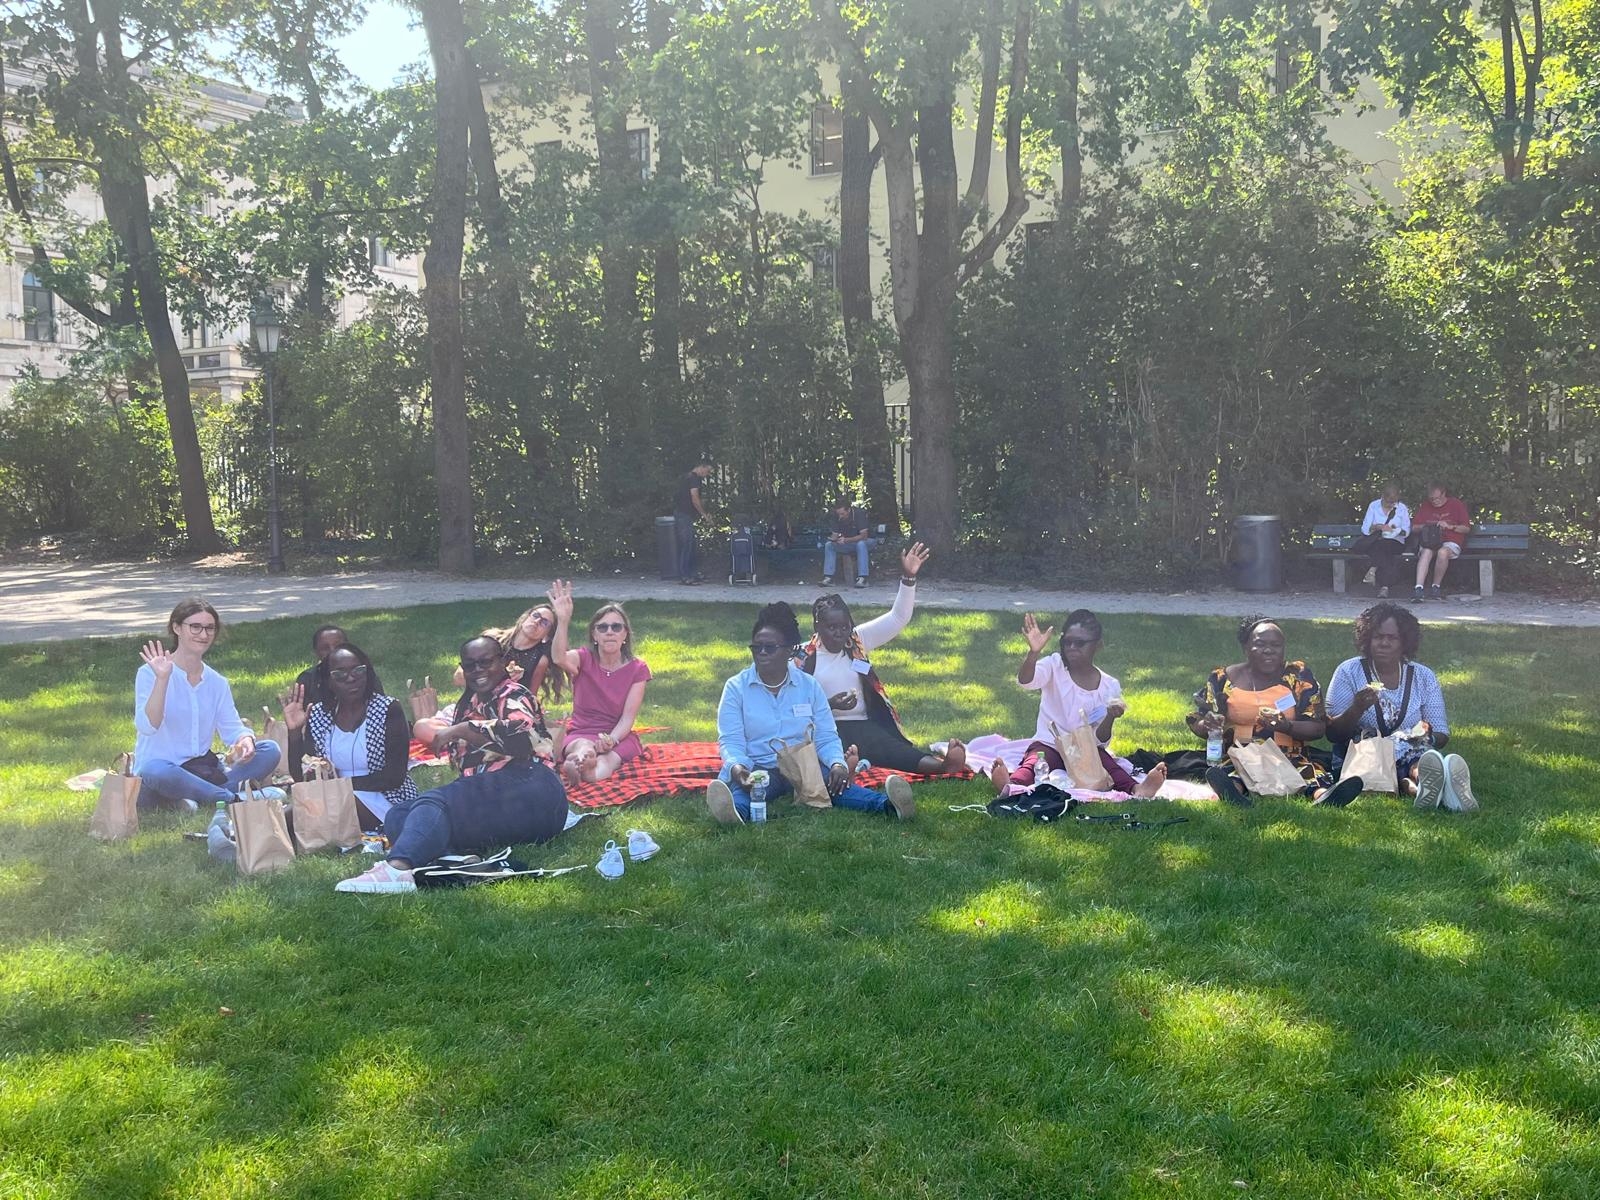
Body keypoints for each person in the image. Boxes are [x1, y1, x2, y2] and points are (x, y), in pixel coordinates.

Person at [336, 634, 568, 894]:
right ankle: (455, 860)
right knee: (399, 815)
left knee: (436, 801)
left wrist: (461, 730)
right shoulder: (469, 702)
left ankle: (397, 869)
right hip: (504, 807)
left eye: (485, 662)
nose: (478, 670)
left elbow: (523, 737)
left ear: (503, 661)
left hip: (535, 789)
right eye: (470, 665)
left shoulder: (512, 693)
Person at [706, 601, 914, 824]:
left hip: (804, 762)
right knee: (750, 790)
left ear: (790, 650)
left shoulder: (809, 686)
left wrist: (836, 763)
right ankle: (735, 813)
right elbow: (731, 740)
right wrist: (738, 768)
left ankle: (889, 806)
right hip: (759, 765)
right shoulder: (736, 687)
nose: (762, 653)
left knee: (836, 785)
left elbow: (826, 735)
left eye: (770, 647)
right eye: (757, 647)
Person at [797, 542, 968, 777]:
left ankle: (942, 766)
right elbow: (790, 708)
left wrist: (908, 578)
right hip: (825, 729)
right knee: (831, 747)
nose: (839, 633)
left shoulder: (856, 642)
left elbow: (898, 618)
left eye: (844, 627)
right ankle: (846, 765)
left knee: (889, 747)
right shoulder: (802, 657)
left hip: (863, 725)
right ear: (817, 626)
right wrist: (829, 705)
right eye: (831, 627)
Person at [1187, 615, 1363, 807]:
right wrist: (1209, 724)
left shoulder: (1297, 676)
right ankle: (1233, 796)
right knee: (1233, 773)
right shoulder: (1222, 678)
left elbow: (1318, 728)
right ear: (1246, 648)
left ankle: (1325, 797)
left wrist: (1286, 726)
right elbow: (1198, 721)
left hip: (1288, 753)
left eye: (1276, 645)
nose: (1269, 650)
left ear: (1283, 648)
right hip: (1239, 753)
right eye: (1260, 644)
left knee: (1308, 773)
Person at [994, 610, 1167, 798]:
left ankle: (1137, 789)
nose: (1072, 647)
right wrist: (1034, 653)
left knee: (1108, 764)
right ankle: (1011, 785)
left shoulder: (1109, 686)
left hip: (1086, 750)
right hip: (1049, 744)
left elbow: (1100, 740)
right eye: (1067, 642)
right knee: (1034, 763)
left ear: (1097, 645)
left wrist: (1110, 717)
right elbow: (1026, 681)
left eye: (1080, 643)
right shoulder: (1054, 664)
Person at [1324, 601, 1477, 811]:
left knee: (1419, 753)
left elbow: (1441, 733)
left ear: (1404, 643)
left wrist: (1427, 734)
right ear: (1367, 640)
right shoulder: (1349, 671)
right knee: (1401, 753)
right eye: (1378, 637)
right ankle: (1438, 789)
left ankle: (1424, 783)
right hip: (1362, 755)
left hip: (1411, 751)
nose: (1384, 643)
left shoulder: (1423, 676)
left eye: (1392, 638)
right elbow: (1333, 734)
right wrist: (1356, 709)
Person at [132, 598, 281, 811]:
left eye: (209, 628)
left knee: (270, 749)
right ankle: (233, 798)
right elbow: (147, 726)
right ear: (176, 628)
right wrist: (162, 680)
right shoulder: (149, 674)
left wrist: (245, 739)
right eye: (195, 627)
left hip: (202, 770)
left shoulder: (217, 682)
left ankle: (193, 798)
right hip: (163, 773)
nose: (203, 635)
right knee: (154, 770)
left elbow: (232, 729)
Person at [283, 642, 418, 829]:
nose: (351, 679)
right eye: (340, 674)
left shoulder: (387, 709)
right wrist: (295, 733)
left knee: (326, 809)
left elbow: (393, 777)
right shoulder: (319, 715)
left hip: (386, 798)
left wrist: (338, 787)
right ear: (329, 681)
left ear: (367, 673)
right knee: (285, 817)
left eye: (358, 671)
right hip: (331, 797)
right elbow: (302, 777)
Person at [547, 581, 651, 785]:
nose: (609, 632)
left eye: (616, 627)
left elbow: (628, 717)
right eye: (602, 627)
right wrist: (563, 620)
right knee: (583, 745)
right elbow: (558, 658)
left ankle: (587, 773)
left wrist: (611, 740)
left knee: (610, 759)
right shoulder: (583, 658)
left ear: (625, 634)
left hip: (618, 734)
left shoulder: (638, 669)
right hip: (581, 731)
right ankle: (580, 759)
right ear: (594, 635)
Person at [293, 625, 383, 712]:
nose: (332, 651)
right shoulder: (307, 680)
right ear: (316, 653)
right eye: (325, 648)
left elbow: (380, 708)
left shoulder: (363, 674)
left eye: (338, 646)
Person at [1411, 483, 1471, 602]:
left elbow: (1466, 528)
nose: (1435, 501)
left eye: (1437, 498)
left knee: (1442, 552)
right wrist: (1427, 526)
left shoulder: (1456, 504)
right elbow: (1413, 528)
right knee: (1426, 552)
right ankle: (1418, 588)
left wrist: (1450, 527)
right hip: (1430, 541)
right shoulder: (1425, 506)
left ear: (1444, 494)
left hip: (1450, 541)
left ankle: (1436, 587)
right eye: (1432, 499)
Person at [1359, 483, 1411, 598]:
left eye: (1394, 502)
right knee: (1384, 551)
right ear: (1382, 497)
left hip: (1395, 542)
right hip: (1376, 541)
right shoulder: (1373, 506)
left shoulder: (1401, 508)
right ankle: (1384, 588)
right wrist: (1377, 527)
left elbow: (1406, 531)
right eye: (1388, 502)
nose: (1391, 505)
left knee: (1384, 547)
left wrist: (1395, 529)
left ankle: (1372, 569)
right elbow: (1365, 529)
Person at [674, 460, 713, 585]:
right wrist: (704, 515)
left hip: (684, 514)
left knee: (691, 545)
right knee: (687, 545)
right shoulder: (694, 479)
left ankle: (692, 573)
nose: (707, 474)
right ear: (701, 467)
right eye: (707, 471)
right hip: (684, 515)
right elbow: (695, 499)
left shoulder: (686, 477)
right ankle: (685, 576)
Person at [821, 498, 875, 588]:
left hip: (868, 541)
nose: (840, 516)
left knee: (861, 544)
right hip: (850, 543)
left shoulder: (859, 514)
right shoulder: (836, 516)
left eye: (842, 514)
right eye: (839, 514)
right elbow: (835, 535)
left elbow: (864, 536)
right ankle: (829, 578)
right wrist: (834, 540)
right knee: (829, 546)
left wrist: (845, 540)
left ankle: (863, 578)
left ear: (849, 510)